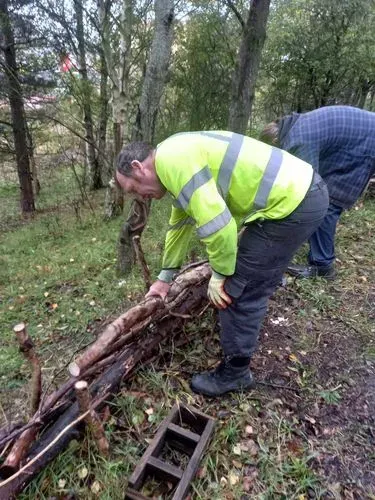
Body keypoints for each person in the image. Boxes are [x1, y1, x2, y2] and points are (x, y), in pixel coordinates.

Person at [116, 131, 329, 397]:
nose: (140, 196)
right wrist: (165, 276)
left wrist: (220, 274)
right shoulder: (171, 156)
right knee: (249, 271)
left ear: (139, 167)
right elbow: (180, 225)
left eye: (134, 188)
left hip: (295, 201)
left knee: (234, 289)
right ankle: (264, 280)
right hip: (302, 191)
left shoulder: (174, 162)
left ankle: (235, 373)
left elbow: (220, 228)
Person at [260, 105, 375, 279]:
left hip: (365, 145)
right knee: (321, 198)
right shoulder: (295, 124)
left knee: (326, 204)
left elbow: (306, 186)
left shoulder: (299, 139)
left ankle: (322, 266)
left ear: (276, 143)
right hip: (360, 137)